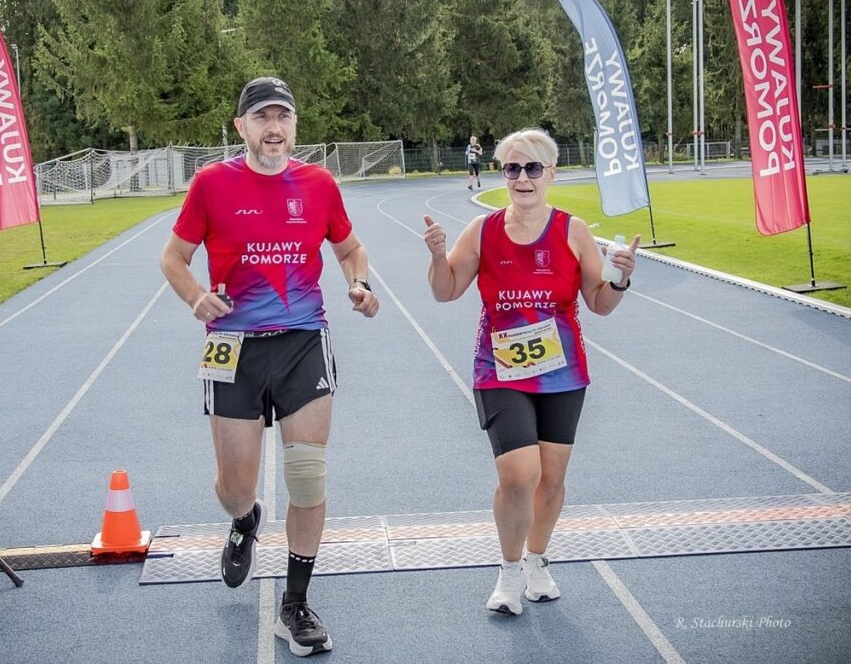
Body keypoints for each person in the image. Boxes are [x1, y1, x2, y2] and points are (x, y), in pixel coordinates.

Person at [160, 76, 379, 656]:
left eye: (282, 117)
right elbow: (174, 257)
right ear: (242, 128)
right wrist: (194, 296)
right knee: (234, 487)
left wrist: (357, 283)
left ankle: (296, 604)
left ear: (295, 125)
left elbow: (350, 248)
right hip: (230, 344)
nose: (274, 128)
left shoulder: (318, 184)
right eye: (262, 118)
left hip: (303, 339)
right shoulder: (211, 184)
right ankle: (244, 520)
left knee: (308, 475)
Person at [422, 128, 638, 616]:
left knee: (552, 479)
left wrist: (621, 278)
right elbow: (445, 290)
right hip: (498, 370)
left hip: (562, 373)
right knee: (519, 474)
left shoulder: (572, 230)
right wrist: (438, 257)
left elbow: (599, 304)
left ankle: (538, 559)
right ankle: (509, 570)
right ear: (504, 175)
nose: (523, 178)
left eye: (532, 168)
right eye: (513, 169)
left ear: (551, 174)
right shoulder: (481, 230)